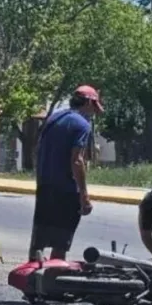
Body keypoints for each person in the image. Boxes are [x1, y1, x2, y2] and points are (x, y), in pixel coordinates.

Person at [28, 84, 103, 261]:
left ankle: (33, 275)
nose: (93, 112)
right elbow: (77, 160)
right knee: (60, 242)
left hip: (45, 185)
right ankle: (54, 278)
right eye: (94, 107)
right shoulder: (82, 125)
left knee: (39, 238)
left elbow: (37, 151)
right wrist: (84, 195)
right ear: (88, 103)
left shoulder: (53, 118)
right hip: (66, 190)